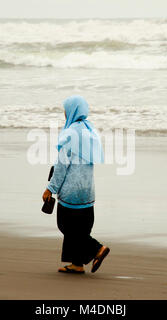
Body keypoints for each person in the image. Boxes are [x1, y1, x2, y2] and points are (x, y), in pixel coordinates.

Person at [42, 95, 110, 274]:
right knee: (82, 228)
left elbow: (61, 166)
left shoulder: (70, 134)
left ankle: (97, 249)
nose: (64, 112)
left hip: (71, 191)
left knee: (66, 226)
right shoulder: (90, 131)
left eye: (66, 109)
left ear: (72, 110)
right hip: (88, 191)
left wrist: (50, 188)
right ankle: (77, 264)